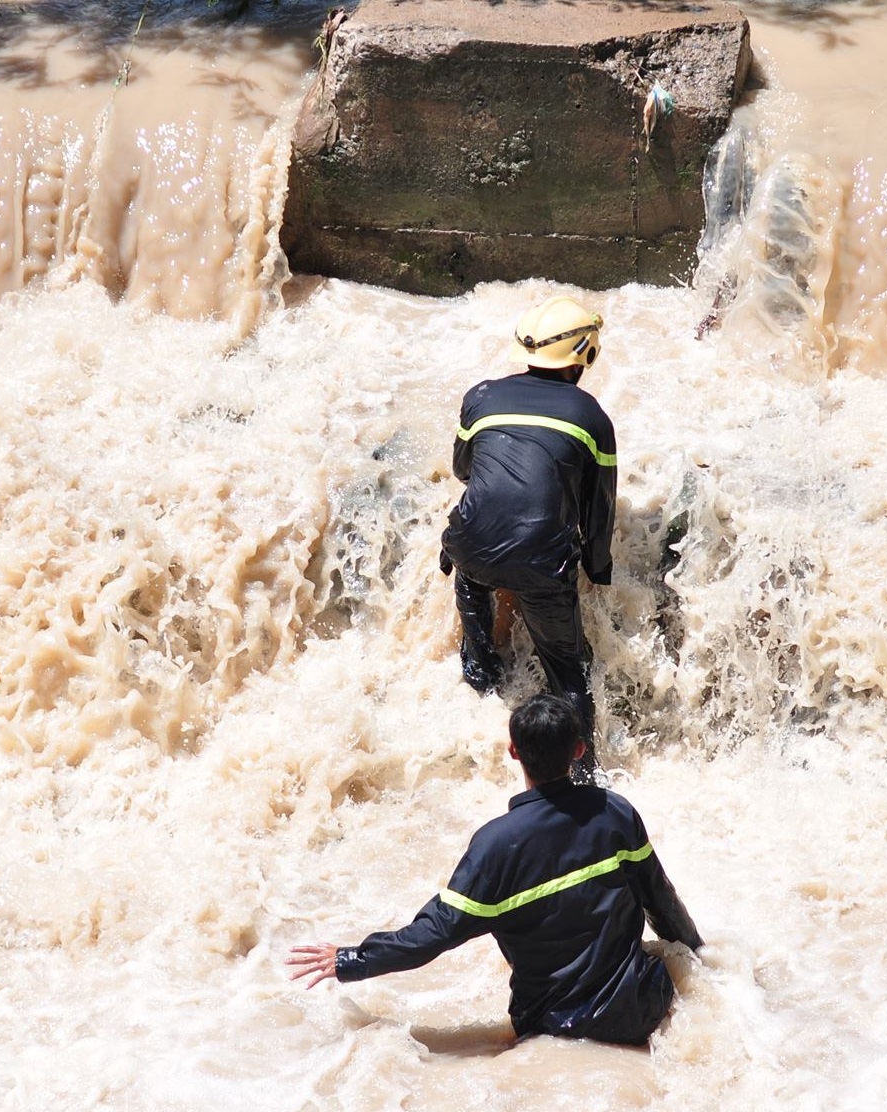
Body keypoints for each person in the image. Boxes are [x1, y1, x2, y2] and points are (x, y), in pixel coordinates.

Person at [286, 694, 702, 1045]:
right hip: (640, 1011)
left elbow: (433, 934)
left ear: (514, 751)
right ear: (578, 750)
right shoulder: (615, 813)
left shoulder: (496, 847)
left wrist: (352, 959)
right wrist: (702, 963)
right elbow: (660, 900)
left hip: (550, 1031)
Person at [439, 295, 617, 777]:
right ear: (585, 353)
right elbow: (599, 508)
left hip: (469, 543)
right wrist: (597, 571)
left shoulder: (482, 396)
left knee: (471, 578)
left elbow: (463, 469)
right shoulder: (590, 416)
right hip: (541, 566)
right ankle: (583, 778)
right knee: (567, 673)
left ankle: (479, 675)